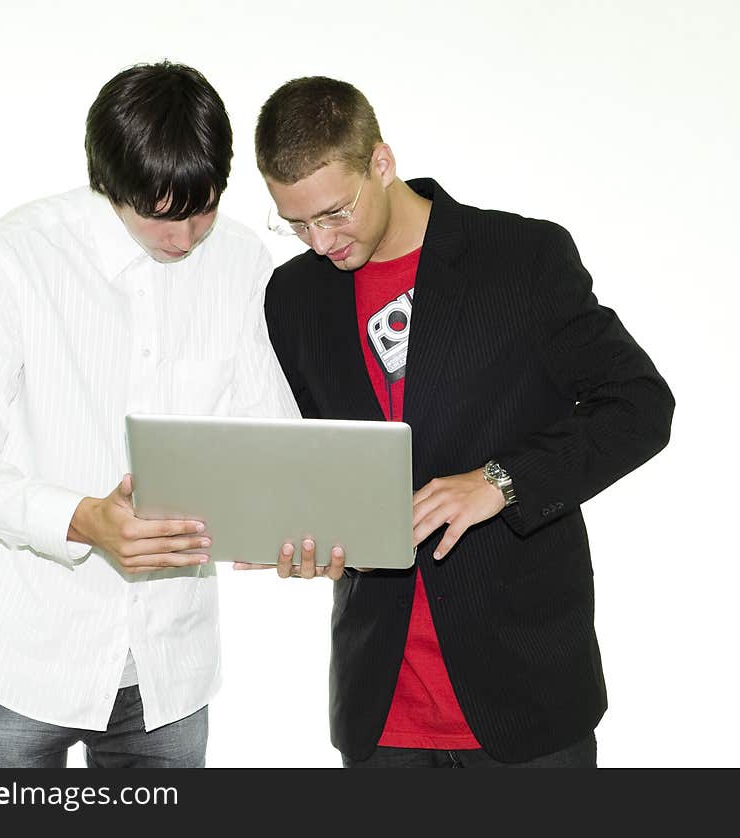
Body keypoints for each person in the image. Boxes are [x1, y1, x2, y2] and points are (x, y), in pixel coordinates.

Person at [252, 76, 675, 767]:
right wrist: (313, 539)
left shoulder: (522, 258)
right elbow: (324, 460)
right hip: (381, 709)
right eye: (295, 223)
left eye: (333, 214)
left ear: (381, 162)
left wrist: (501, 481)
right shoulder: (293, 297)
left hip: (526, 700)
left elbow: (638, 405)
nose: (319, 241)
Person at [0, 61, 299, 768]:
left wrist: (285, 520)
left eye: (203, 208)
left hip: (169, 670)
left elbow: (266, 435)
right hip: (24, 657)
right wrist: (82, 519)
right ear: (110, 186)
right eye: (160, 217)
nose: (185, 239)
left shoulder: (242, 260)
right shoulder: (15, 258)